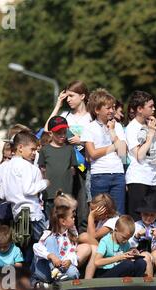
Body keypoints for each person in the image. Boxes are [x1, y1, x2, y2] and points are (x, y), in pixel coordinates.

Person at [44, 80, 92, 233]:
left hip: (85, 165)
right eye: (67, 97)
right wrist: (58, 105)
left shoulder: (91, 117)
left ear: (82, 96)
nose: (68, 99)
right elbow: (47, 129)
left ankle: (82, 234)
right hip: (67, 166)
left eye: (72, 96)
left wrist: (82, 140)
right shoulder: (65, 115)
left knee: (83, 203)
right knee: (67, 204)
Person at [0, 131, 50, 247]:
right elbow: (28, 190)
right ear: (20, 148)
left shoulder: (6, 167)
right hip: (33, 214)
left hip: (17, 214)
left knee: (24, 247)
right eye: (32, 149)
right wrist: (44, 183)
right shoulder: (27, 167)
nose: (34, 153)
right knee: (44, 245)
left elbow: (2, 194)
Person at [32, 192, 93, 284]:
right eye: (72, 216)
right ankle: (49, 276)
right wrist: (51, 256)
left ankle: (57, 280)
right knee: (51, 241)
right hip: (46, 270)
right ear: (63, 221)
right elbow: (36, 247)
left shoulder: (72, 233)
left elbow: (72, 251)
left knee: (74, 272)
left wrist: (69, 260)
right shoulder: (48, 234)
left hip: (62, 268)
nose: (74, 217)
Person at [84, 88, 127, 214]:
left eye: (113, 107)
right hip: (99, 175)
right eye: (108, 108)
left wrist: (112, 132)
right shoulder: (89, 128)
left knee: (118, 213)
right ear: (97, 110)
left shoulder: (117, 127)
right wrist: (114, 147)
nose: (112, 111)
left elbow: (123, 153)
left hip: (118, 174)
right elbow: (92, 154)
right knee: (100, 213)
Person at [125, 90, 156, 221]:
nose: (154, 109)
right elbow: (139, 155)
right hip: (138, 179)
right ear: (140, 109)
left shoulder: (151, 125)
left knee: (154, 220)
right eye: (150, 106)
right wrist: (151, 133)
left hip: (152, 178)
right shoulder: (132, 128)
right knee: (137, 220)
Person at [38, 115, 77, 219]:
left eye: (64, 132)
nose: (62, 135)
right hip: (50, 194)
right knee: (51, 221)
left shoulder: (70, 149)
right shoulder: (45, 150)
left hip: (67, 195)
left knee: (67, 220)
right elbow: (42, 170)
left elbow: (73, 170)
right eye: (58, 132)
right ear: (50, 133)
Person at [129, 192, 156, 277]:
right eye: (145, 214)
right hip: (140, 255)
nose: (148, 217)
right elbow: (129, 245)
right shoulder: (135, 226)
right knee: (145, 256)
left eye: (152, 215)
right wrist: (136, 236)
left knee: (155, 254)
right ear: (141, 213)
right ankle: (149, 284)